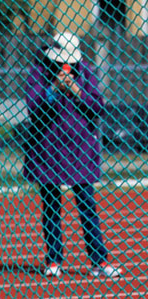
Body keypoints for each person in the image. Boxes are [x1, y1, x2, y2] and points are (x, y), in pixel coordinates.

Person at [23, 32, 120, 278]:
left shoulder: (85, 71)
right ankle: (54, 260)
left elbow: (98, 106)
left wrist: (76, 90)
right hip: (49, 149)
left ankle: (98, 261)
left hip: (80, 150)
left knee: (87, 204)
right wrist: (54, 88)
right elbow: (33, 105)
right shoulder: (40, 71)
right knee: (52, 206)